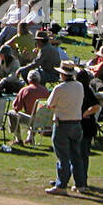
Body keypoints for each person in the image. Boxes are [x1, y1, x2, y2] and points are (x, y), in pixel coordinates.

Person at [43, 61, 87, 193]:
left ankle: (61, 185)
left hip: (62, 123)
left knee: (62, 156)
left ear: (62, 74)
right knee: (76, 155)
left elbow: (49, 105)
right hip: (76, 123)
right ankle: (80, 184)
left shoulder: (59, 88)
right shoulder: (79, 86)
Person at [6, 70, 49, 145]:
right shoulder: (45, 91)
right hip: (43, 120)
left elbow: (17, 108)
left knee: (11, 113)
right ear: (39, 79)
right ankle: (30, 138)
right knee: (36, 113)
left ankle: (18, 139)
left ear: (28, 79)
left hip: (30, 119)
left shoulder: (25, 90)